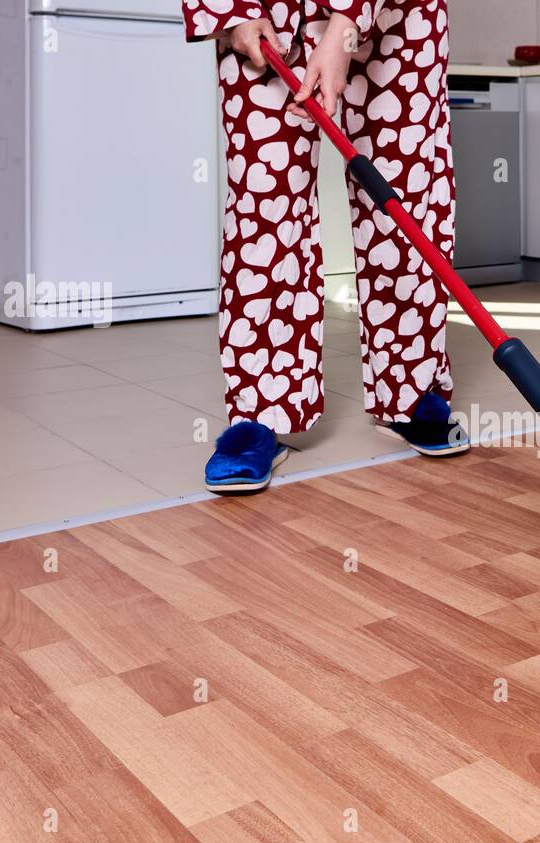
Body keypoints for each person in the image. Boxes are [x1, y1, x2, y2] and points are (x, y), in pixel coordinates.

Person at [181, 0, 468, 493]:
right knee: (263, 205)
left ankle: (411, 383)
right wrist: (233, 14)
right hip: (266, 15)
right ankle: (258, 407)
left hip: (397, 18)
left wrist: (344, 26)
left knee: (406, 194)